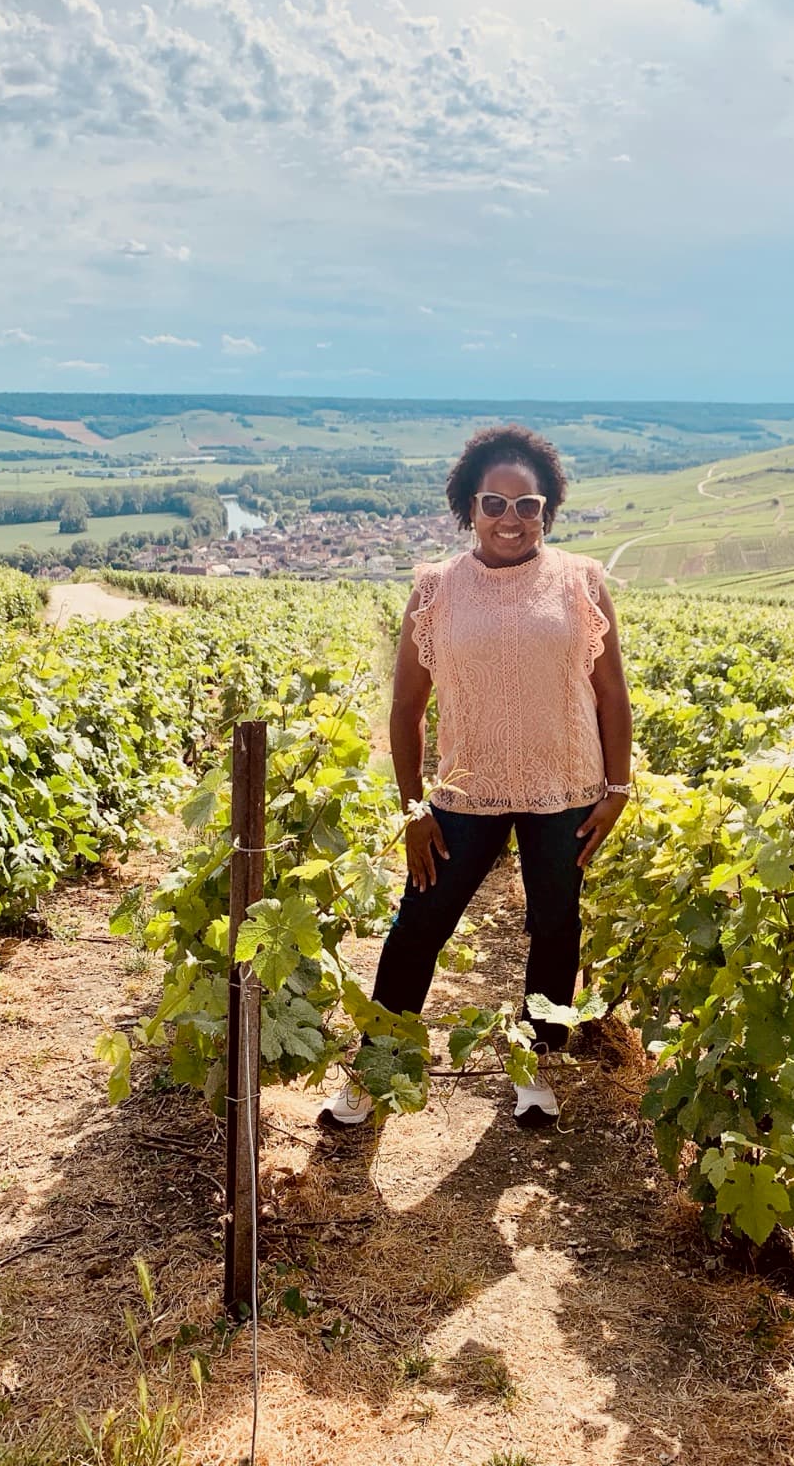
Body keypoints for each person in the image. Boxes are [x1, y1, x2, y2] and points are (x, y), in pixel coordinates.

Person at [319, 424, 633, 1130]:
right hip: (465, 793)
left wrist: (617, 791)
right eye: (494, 503)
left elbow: (613, 694)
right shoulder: (435, 588)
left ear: (549, 509)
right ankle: (375, 1070)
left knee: (557, 929)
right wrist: (412, 811)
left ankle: (535, 1069)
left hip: (566, 791)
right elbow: (406, 708)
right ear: (468, 506)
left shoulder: (581, 580)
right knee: (417, 928)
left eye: (529, 505)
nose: (511, 519)